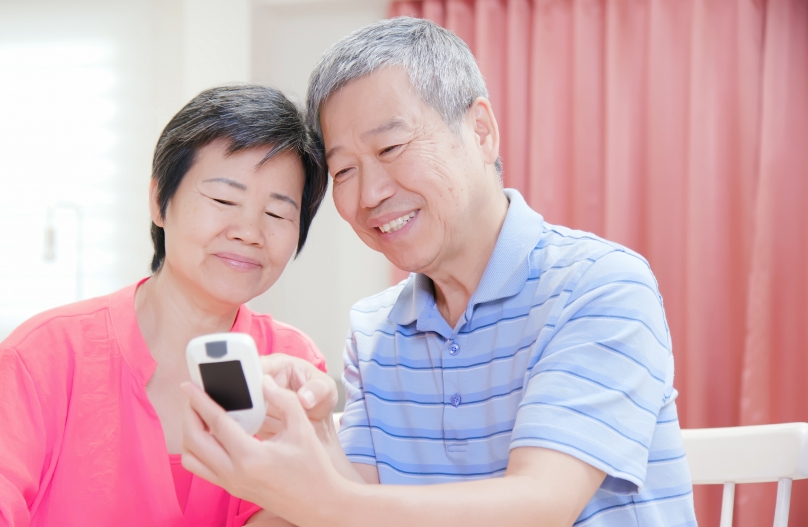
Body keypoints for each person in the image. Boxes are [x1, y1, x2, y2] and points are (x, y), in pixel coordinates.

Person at [180, 17, 698, 527]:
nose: (370, 194)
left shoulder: (600, 285)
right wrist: (318, 436)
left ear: (480, 131)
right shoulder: (376, 330)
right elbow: (365, 507)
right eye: (344, 171)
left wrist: (319, 499)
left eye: (390, 148)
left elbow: (541, 507)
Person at [0, 84, 329, 527]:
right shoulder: (48, 351)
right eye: (224, 199)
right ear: (159, 202)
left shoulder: (293, 364)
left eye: (278, 214)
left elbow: (293, 511)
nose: (249, 231)